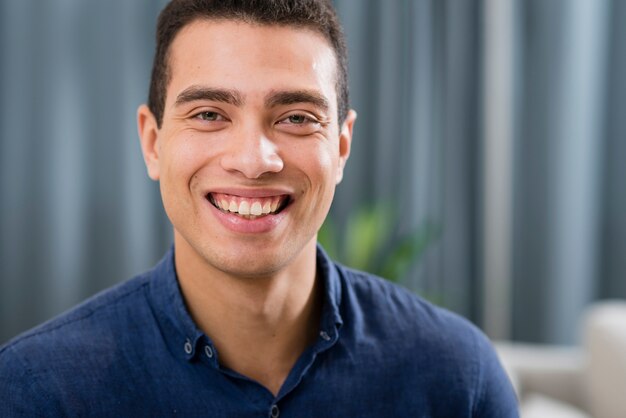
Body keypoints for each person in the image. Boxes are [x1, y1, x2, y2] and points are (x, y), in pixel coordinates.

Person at [0, 0, 519, 416]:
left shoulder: (459, 378)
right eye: (209, 113)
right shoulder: (34, 391)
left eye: (296, 118)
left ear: (340, 147)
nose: (253, 160)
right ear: (153, 142)